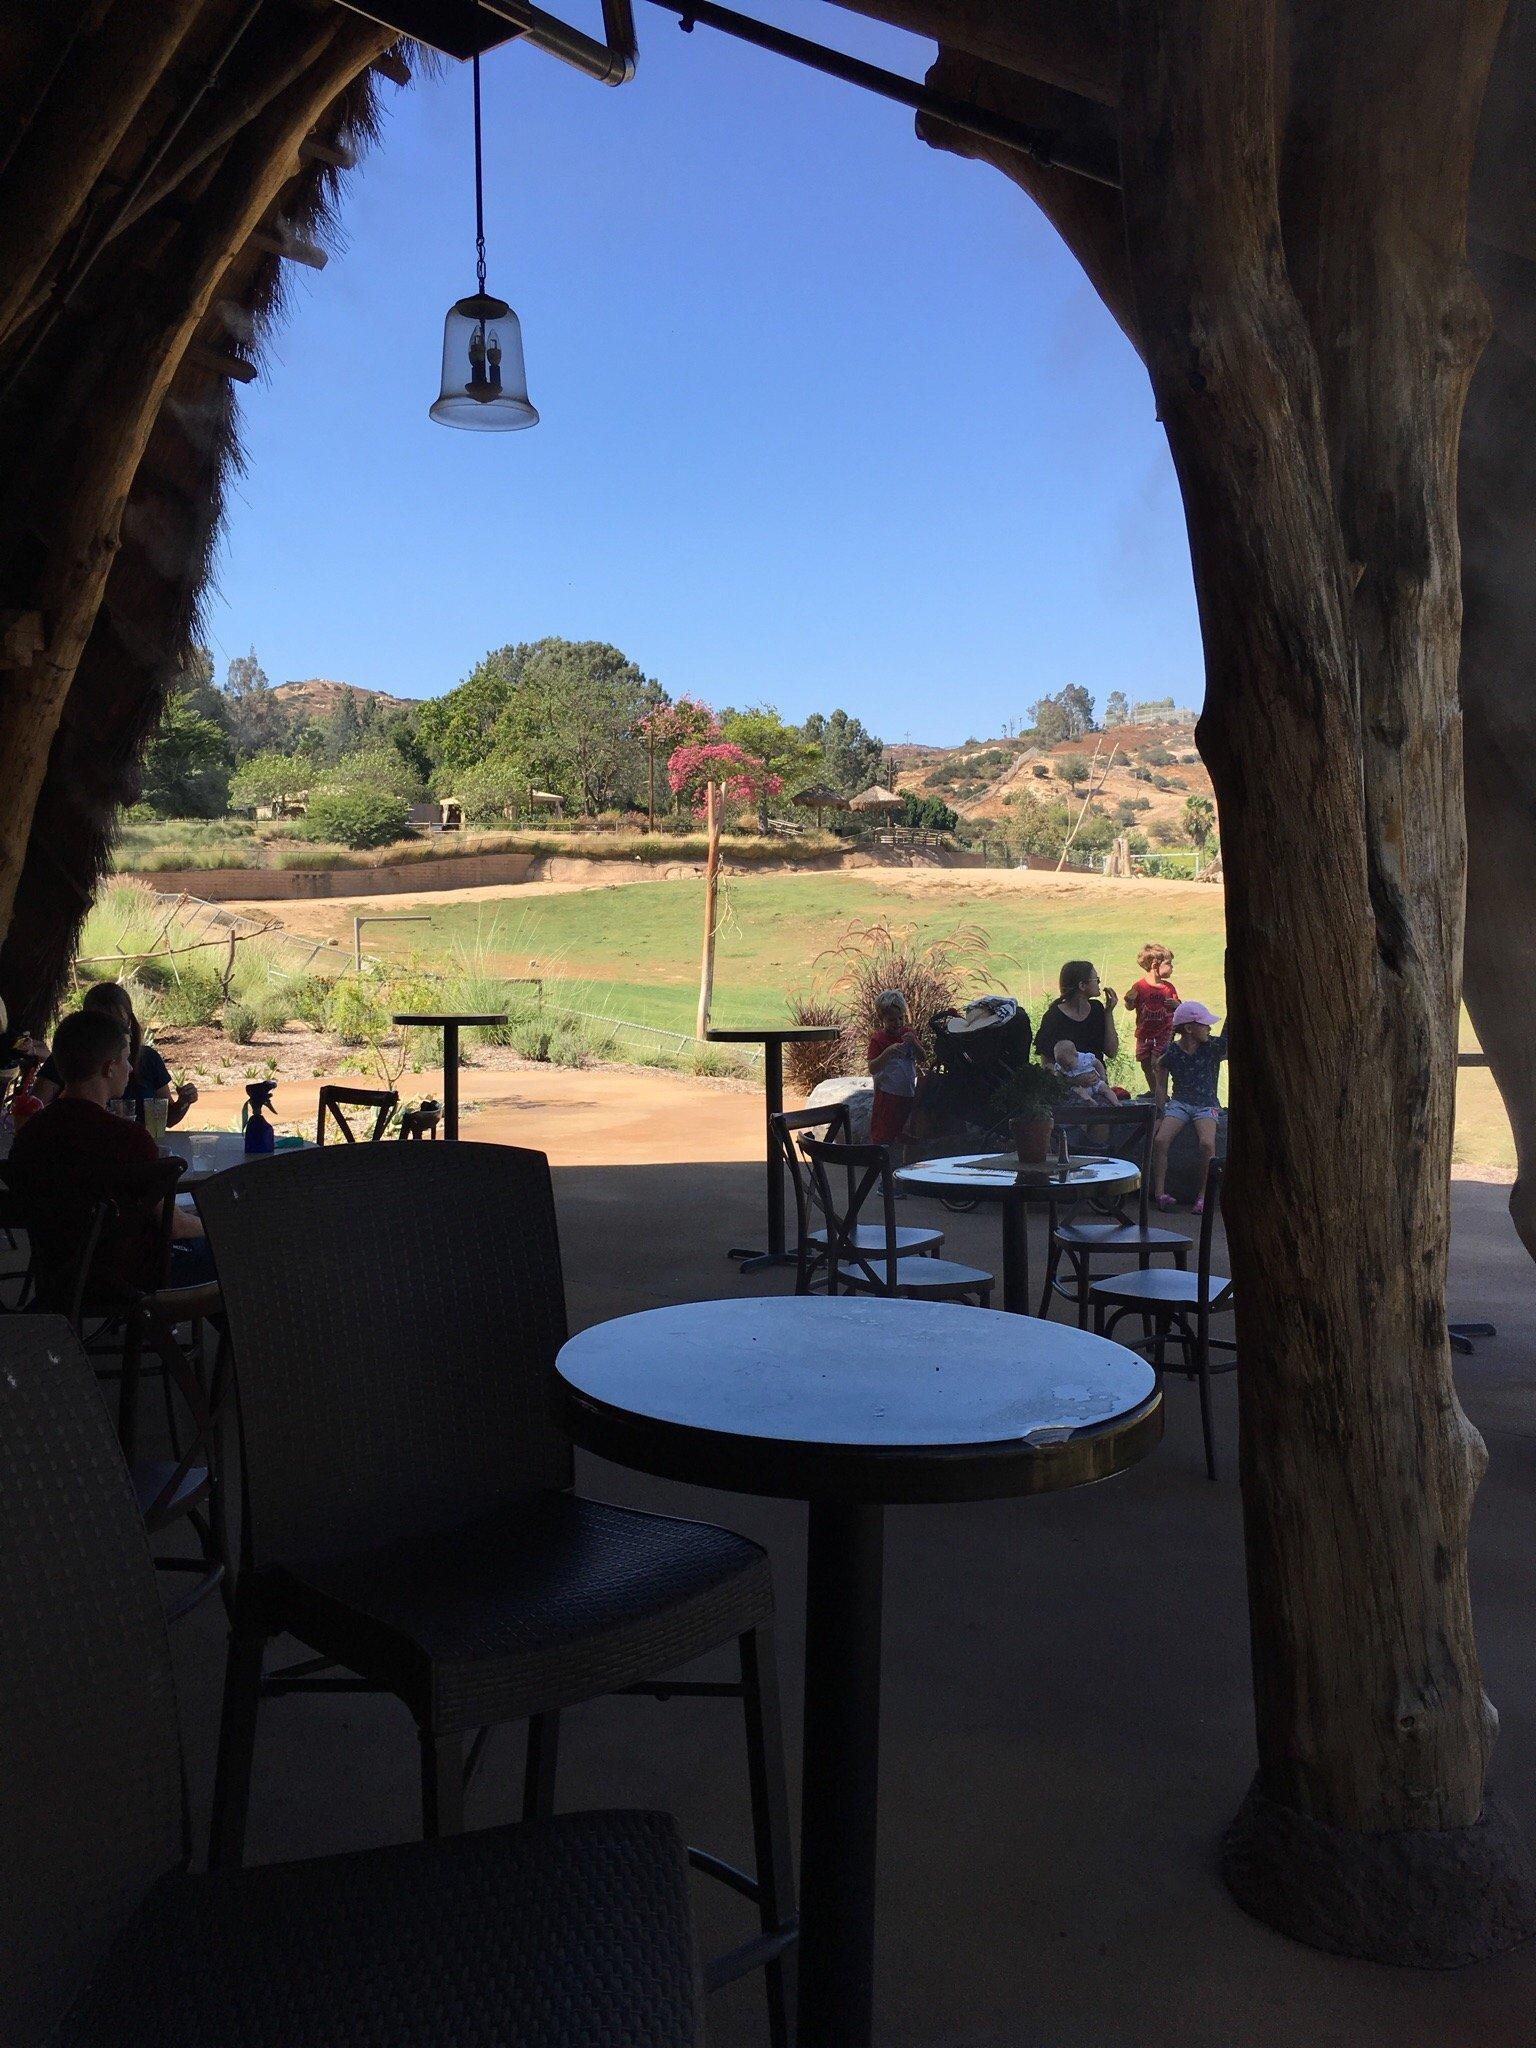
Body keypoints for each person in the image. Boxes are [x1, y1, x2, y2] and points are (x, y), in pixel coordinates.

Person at [11, 1007, 214, 1289]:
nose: (131, 1069)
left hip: (60, 1277)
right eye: (126, 1059)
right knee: (233, 1255)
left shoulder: (31, 1134)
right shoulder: (128, 1138)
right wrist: (218, 1227)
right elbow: (174, 1227)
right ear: (109, 1067)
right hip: (131, 1276)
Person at [34, 981, 198, 1127]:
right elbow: (35, 1111)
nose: (110, 1030)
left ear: (129, 1021)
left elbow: (165, 1118)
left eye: (116, 1021)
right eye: (100, 1023)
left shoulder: (148, 1059)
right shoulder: (65, 1058)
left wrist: (184, 1101)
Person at [1151, 1000, 1227, 1212]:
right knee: (1160, 1140)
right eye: (1204, 1024)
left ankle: (1204, 1196)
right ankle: (1160, 1193)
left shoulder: (1212, 1046)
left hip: (1206, 1105)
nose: (1209, 1028)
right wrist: (1159, 1114)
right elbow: (1160, 1086)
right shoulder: (1171, 1052)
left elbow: (1230, 1040)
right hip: (1180, 1103)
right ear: (1189, 1029)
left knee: (1206, 1144)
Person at [867, 989, 924, 1156]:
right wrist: (888, 1052)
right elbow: (873, 1067)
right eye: (892, 1020)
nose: (897, 1023)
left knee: (906, 1131)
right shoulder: (878, 1039)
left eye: (901, 1019)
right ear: (882, 1019)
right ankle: (882, 1164)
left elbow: (922, 1058)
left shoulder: (908, 1034)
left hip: (907, 1093)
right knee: (884, 1133)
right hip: (887, 1094)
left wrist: (915, 1043)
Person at [1123, 943, 1180, 1104]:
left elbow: (1178, 1007)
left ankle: (1162, 1094)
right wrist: (1128, 1001)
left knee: (1158, 1062)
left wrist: (1177, 1005)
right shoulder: (1139, 986)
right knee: (1145, 1063)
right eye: (1169, 963)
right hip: (1144, 1033)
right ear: (1155, 965)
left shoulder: (1168, 988)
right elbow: (1130, 1006)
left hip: (1164, 1032)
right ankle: (1154, 1091)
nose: (1172, 967)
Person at [1033, 960, 1119, 1065]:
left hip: (1097, 1078)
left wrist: (1108, 1013)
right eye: (1096, 980)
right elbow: (1047, 1063)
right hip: (1066, 1080)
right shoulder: (1054, 1017)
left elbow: (1111, 1051)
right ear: (1082, 985)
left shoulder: (1096, 1009)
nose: (1099, 983)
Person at [1049, 1037, 1118, 1109]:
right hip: (1080, 1087)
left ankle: (1116, 1102)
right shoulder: (1059, 1066)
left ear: (1076, 1055)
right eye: (1062, 1066)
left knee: (1105, 1088)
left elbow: (1097, 1063)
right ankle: (1090, 1101)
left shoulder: (1085, 1058)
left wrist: (1102, 1074)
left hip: (1095, 1082)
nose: (1066, 1068)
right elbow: (1058, 1077)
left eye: (1069, 1064)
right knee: (1077, 1091)